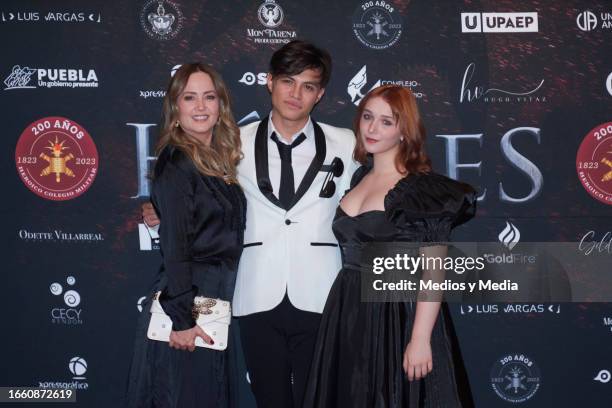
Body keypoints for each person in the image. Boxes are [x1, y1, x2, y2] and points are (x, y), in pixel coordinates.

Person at [142, 41, 357, 408]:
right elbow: (199, 194)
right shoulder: (232, 143)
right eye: (288, 81)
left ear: (320, 95)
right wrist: (161, 210)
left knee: (321, 398)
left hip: (323, 291)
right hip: (254, 290)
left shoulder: (348, 143)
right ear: (269, 82)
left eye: (308, 86)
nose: (296, 94)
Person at [303, 85, 477, 408]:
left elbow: (434, 270)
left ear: (404, 130)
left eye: (386, 121)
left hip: (398, 314)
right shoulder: (358, 179)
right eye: (368, 117)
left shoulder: (421, 190)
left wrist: (421, 338)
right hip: (349, 312)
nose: (371, 128)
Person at [126, 63, 246, 408]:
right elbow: (176, 247)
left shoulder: (213, 159)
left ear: (220, 105)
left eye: (209, 97)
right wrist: (181, 319)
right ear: (175, 108)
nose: (200, 106)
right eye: (189, 97)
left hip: (211, 298)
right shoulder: (178, 162)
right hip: (190, 300)